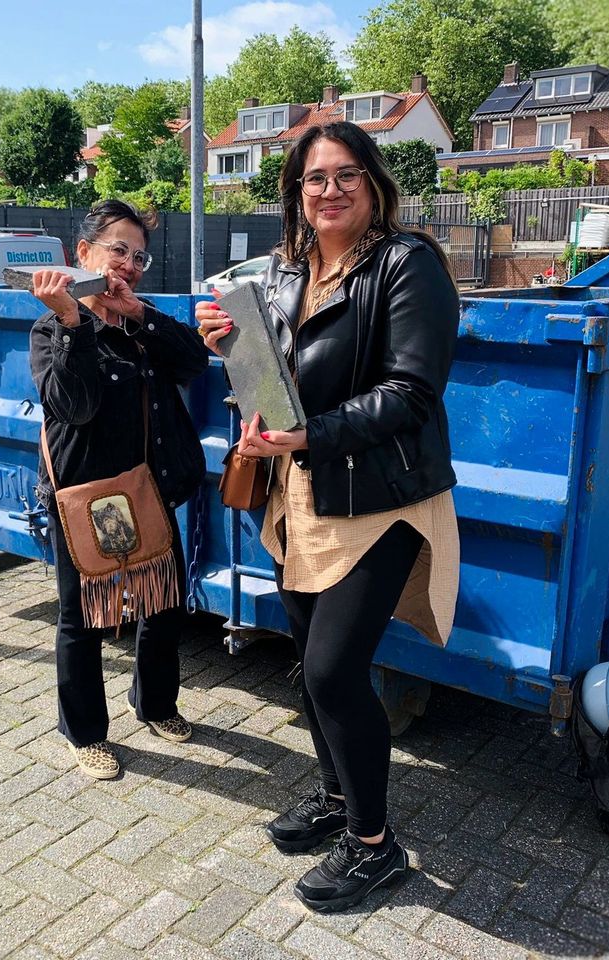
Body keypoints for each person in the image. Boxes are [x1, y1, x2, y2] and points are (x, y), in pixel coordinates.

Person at [195, 121, 461, 912]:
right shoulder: (286, 273)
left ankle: (376, 847)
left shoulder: (407, 264)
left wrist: (312, 432)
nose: (331, 189)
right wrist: (231, 348)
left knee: (332, 670)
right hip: (303, 492)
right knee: (309, 667)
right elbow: (281, 373)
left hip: (380, 499)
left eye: (348, 174)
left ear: (375, 183)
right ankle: (340, 798)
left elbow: (412, 392)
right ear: (297, 194)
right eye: (316, 178)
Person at [30, 199, 208, 780]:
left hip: (149, 490)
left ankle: (154, 703)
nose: (129, 263)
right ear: (82, 254)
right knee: (83, 618)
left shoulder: (138, 319)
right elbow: (73, 404)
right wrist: (75, 323)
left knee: (163, 601)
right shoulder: (51, 328)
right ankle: (84, 734)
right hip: (89, 499)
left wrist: (138, 314)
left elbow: (192, 365)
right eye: (117, 250)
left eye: (138, 255)